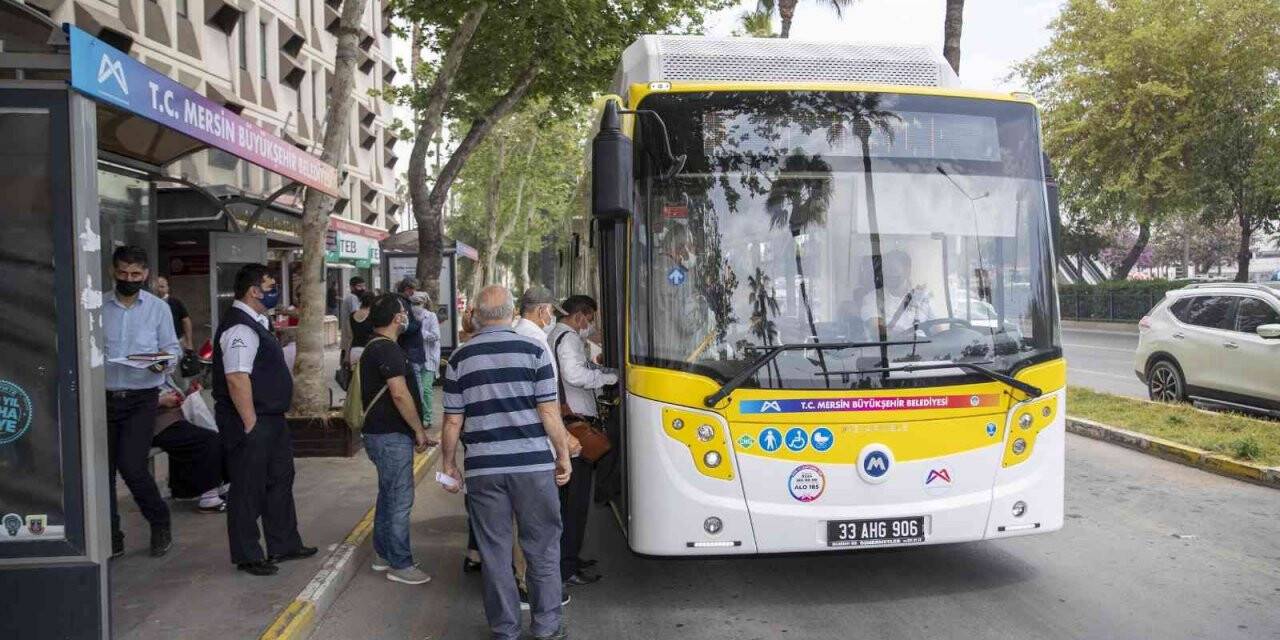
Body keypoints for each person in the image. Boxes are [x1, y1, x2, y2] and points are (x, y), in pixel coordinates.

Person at [440, 285, 574, 640]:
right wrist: (562, 455)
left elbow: (452, 421)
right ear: (512, 313)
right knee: (542, 547)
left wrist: (448, 463)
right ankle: (547, 627)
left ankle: (505, 629)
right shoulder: (534, 350)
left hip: (484, 469)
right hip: (533, 467)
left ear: (478, 316)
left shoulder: (460, 359)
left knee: (495, 551)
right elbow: (549, 412)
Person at [213, 264, 316, 576]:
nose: (275, 293)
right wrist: (251, 424)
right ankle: (248, 555)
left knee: (280, 479)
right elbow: (236, 378)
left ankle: (284, 543)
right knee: (248, 487)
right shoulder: (240, 328)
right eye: (271, 287)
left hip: (271, 418)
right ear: (253, 291)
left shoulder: (258, 322)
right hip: (252, 420)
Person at [103, 246, 181, 558]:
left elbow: (172, 350)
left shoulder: (158, 309)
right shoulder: (96, 306)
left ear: (146, 274)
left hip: (141, 399)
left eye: (136, 274)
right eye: (123, 273)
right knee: (101, 472)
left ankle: (160, 522)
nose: (129, 279)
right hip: (101, 399)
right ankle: (111, 535)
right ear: (113, 271)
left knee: (132, 466)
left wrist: (161, 363)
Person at [360, 294, 434, 585]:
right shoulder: (388, 349)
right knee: (400, 500)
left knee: (388, 495)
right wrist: (419, 430)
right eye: (404, 311)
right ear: (396, 318)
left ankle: (384, 554)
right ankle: (400, 563)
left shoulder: (375, 346)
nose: (408, 316)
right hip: (390, 436)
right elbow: (399, 394)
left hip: (380, 434)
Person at [547, 295, 616, 588]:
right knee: (574, 504)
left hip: (568, 424)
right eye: (589, 320)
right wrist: (610, 379)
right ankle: (566, 567)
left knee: (568, 502)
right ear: (579, 317)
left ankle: (569, 558)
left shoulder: (557, 335)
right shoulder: (569, 338)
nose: (590, 326)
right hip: (575, 427)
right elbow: (574, 374)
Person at [154, 383, 226, 513]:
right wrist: (161, 401)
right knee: (206, 440)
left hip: (172, 418)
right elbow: (132, 404)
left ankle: (207, 487)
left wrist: (186, 394)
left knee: (214, 435)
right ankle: (209, 496)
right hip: (153, 425)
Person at [860, 250, 935, 336]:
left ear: (907, 271)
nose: (889, 274)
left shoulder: (924, 297)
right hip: (891, 344)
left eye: (893, 269)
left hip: (922, 344)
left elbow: (938, 330)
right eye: (886, 269)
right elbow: (878, 331)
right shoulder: (872, 299)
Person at [392, 278, 433, 428]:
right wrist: (418, 324)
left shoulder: (404, 302)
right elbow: (405, 326)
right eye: (412, 289)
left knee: (419, 386)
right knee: (417, 387)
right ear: (407, 289)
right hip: (411, 351)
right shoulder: (402, 303)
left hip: (414, 351)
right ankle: (419, 418)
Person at [410, 291, 441, 427]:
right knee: (417, 389)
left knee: (426, 388)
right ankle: (418, 416)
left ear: (424, 303)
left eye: (418, 303)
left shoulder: (431, 316)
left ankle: (427, 418)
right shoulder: (409, 317)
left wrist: (419, 331)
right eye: (413, 303)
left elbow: (435, 336)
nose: (416, 306)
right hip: (414, 358)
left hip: (428, 358)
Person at [154, 276, 193, 352]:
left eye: (162, 287)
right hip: (156, 343)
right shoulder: (150, 303)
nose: (159, 289)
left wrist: (189, 343)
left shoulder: (175, 302)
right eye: (157, 287)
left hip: (176, 341)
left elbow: (186, 321)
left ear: (167, 288)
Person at [339, 276, 367, 370]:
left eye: (364, 286)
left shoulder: (353, 298)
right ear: (352, 287)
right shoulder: (352, 298)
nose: (362, 288)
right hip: (351, 342)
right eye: (359, 286)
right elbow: (357, 315)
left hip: (349, 341)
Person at [348, 291, 376, 364]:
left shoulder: (352, 315)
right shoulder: (373, 316)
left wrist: (347, 355)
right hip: (368, 350)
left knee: (355, 371)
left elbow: (350, 336)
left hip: (354, 350)